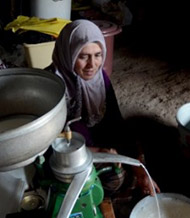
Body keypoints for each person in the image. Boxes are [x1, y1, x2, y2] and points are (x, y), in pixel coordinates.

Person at [48, 19, 159, 196]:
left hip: (100, 139)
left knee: (141, 149)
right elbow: (52, 144)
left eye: (98, 55)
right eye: (83, 56)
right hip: (69, 152)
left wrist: (138, 168)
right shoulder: (52, 87)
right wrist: (99, 152)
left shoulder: (100, 79)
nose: (92, 65)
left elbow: (116, 122)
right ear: (68, 54)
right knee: (115, 178)